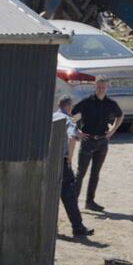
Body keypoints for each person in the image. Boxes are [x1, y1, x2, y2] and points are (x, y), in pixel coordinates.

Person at [72, 76, 124, 211]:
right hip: (87, 140)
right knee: (81, 173)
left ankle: (90, 202)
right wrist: (77, 131)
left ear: (107, 88)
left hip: (102, 141)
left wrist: (112, 131)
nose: (101, 89)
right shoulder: (87, 102)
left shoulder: (110, 103)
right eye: (99, 87)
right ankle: (73, 201)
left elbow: (120, 115)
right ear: (95, 87)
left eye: (103, 87)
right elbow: (71, 114)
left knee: (95, 173)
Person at [55, 96, 94, 237]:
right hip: (62, 161)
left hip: (49, 162)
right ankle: (78, 227)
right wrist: (69, 159)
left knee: (51, 195)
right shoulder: (68, 119)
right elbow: (71, 137)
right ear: (70, 107)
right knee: (69, 195)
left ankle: (52, 227)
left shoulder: (52, 116)